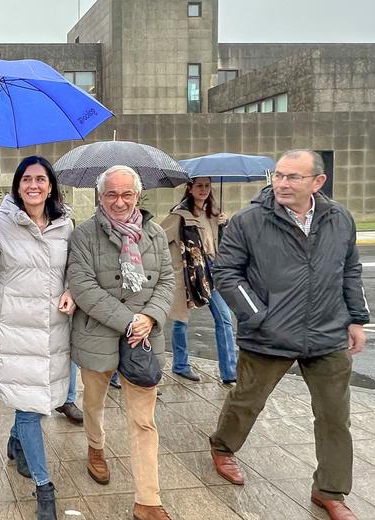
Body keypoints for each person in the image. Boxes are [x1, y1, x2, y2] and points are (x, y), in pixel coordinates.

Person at [209, 150, 369, 520]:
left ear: (317, 182)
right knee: (247, 401)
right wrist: (259, 316)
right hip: (269, 335)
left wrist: (356, 319)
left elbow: (350, 270)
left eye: (293, 177)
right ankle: (222, 446)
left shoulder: (339, 218)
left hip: (327, 335)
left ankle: (329, 490)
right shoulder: (250, 221)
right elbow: (227, 274)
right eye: (278, 175)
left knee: (334, 416)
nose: (282, 183)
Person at [0, 156, 75, 520]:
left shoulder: (65, 224)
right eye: (26, 179)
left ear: (50, 186)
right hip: (15, 329)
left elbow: (76, 269)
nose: (33, 185)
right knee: (31, 409)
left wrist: (72, 290)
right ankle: (45, 488)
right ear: (17, 185)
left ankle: (15, 444)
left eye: (40, 179)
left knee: (31, 401)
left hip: (53, 331)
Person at [67, 165, 175, 520]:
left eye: (126, 194)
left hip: (144, 340)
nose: (119, 201)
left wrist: (150, 317)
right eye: (111, 194)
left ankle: (148, 500)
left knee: (144, 421)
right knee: (94, 404)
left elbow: (167, 284)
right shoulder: (83, 235)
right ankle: (96, 448)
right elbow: (83, 287)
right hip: (98, 338)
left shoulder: (156, 234)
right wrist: (129, 320)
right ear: (100, 197)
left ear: (138, 196)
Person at [161, 177, 237, 384]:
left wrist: (225, 225)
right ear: (190, 188)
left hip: (214, 272)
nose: (203, 190)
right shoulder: (180, 215)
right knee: (181, 320)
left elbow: (224, 245)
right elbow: (159, 239)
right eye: (199, 186)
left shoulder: (215, 214)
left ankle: (230, 372)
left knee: (224, 319)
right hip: (190, 274)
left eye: (207, 186)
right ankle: (181, 365)